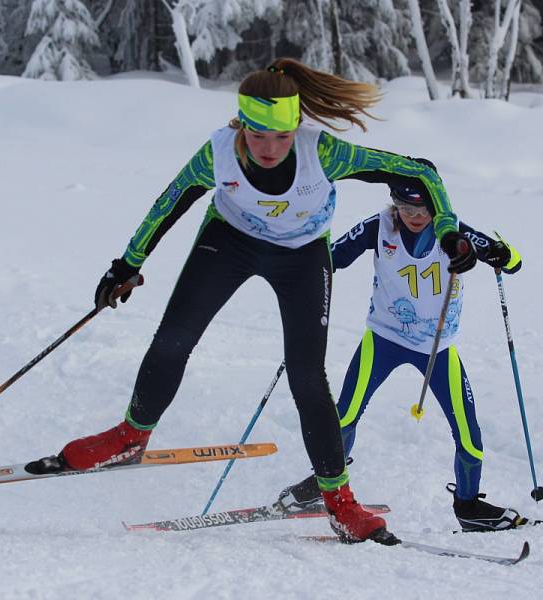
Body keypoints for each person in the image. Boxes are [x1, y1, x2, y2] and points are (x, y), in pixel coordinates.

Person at [34, 57, 476, 543]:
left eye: (281, 137)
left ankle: (338, 500)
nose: (268, 149)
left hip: (303, 255)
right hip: (230, 242)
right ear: (240, 124)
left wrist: (449, 231)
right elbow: (172, 200)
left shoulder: (322, 152)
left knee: (308, 376)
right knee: (173, 339)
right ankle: (129, 437)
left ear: (295, 127)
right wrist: (128, 263)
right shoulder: (219, 153)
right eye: (257, 135)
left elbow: (421, 173)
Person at [275, 169, 527, 533]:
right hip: (383, 339)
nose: (414, 216)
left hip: (437, 350)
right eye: (405, 207)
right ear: (393, 204)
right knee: (342, 418)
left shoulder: (453, 230)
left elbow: (512, 262)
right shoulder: (379, 226)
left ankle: (469, 506)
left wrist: (502, 253)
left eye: (423, 207)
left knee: (469, 435)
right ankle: (326, 482)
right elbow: (334, 256)